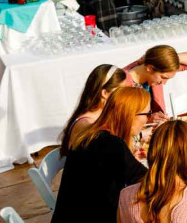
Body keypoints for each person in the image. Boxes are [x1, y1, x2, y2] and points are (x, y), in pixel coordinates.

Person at [52, 88, 150, 223]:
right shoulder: (110, 144)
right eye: (147, 114)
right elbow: (149, 182)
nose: (147, 119)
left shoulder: (92, 135)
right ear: (130, 114)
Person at [123, 45, 187, 123]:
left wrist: (168, 58)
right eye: (163, 77)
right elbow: (120, 121)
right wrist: (147, 120)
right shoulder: (121, 83)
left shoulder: (156, 66)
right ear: (150, 68)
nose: (164, 83)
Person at [59, 64, 127, 156]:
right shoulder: (88, 123)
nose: (126, 95)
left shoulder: (103, 114)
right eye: (122, 91)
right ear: (105, 93)